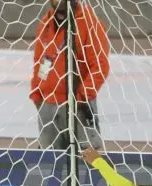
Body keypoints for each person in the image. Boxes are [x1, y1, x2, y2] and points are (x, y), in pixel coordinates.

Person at [30, 0, 110, 149]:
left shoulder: (89, 22)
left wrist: (82, 96)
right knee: (49, 164)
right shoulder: (46, 23)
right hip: (48, 106)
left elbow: (100, 66)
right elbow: (40, 61)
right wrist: (37, 93)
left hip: (78, 106)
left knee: (88, 160)